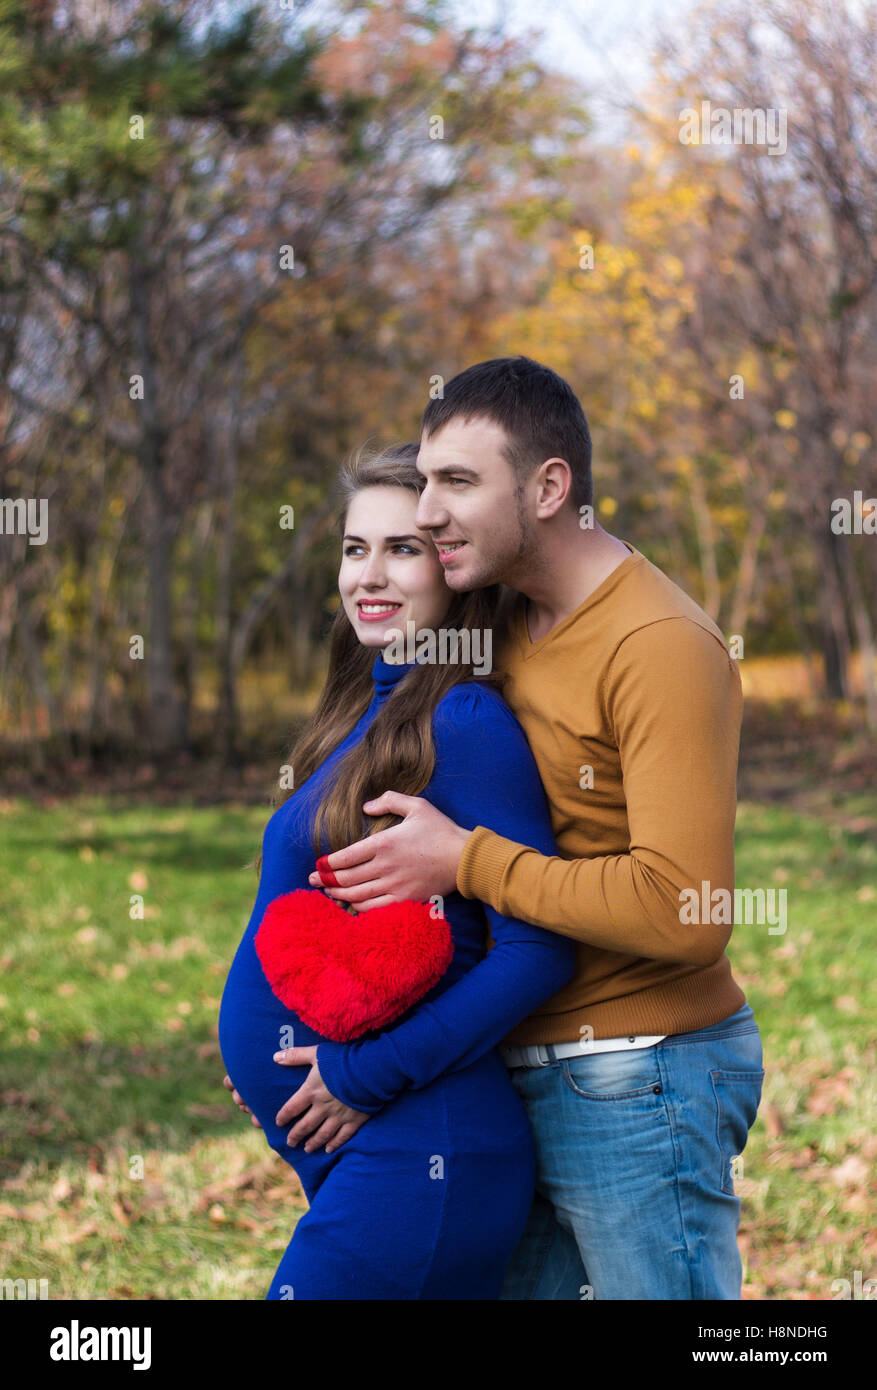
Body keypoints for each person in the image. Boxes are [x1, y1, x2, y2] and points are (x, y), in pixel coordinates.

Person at [300, 357, 765, 1301]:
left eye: (457, 483)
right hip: (508, 1069)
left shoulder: (660, 646)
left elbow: (687, 910)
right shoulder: (499, 617)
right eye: (425, 480)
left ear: (550, 487)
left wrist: (466, 861)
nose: (427, 512)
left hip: (638, 1076)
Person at [218, 441, 576, 1300]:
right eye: (354, 549)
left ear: (451, 566)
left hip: (424, 1143)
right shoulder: (363, 712)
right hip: (366, 1144)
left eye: (402, 548)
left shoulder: (463, 719)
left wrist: (356, 1074)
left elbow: (540, 951)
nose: (369, 575)